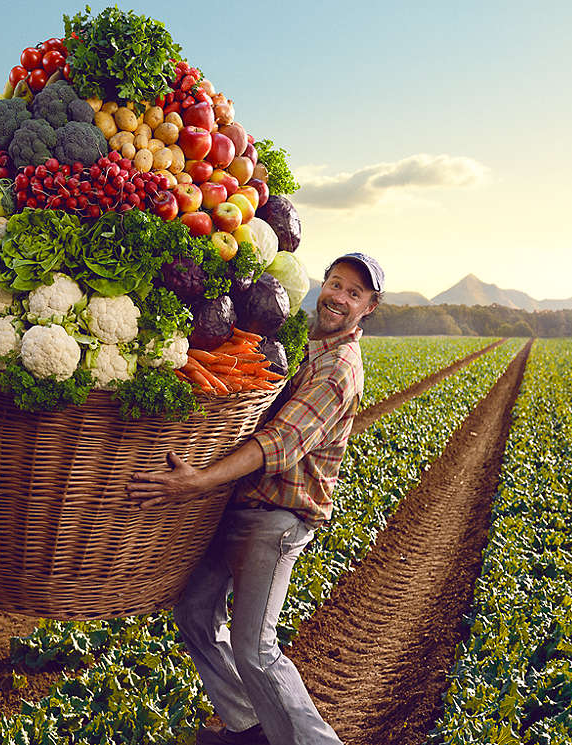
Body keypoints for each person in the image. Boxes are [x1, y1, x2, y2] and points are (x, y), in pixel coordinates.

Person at [127, 252, 385, 745]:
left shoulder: (338, 368)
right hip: (240, 506)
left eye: (354, 293)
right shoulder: (304, 346)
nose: (339, 297)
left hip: (278, 518)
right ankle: (250, 726)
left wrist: (200, 480)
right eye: (335, 284)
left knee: (255, 648)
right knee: (196, 613)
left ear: (369, 307)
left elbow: (280, 443)